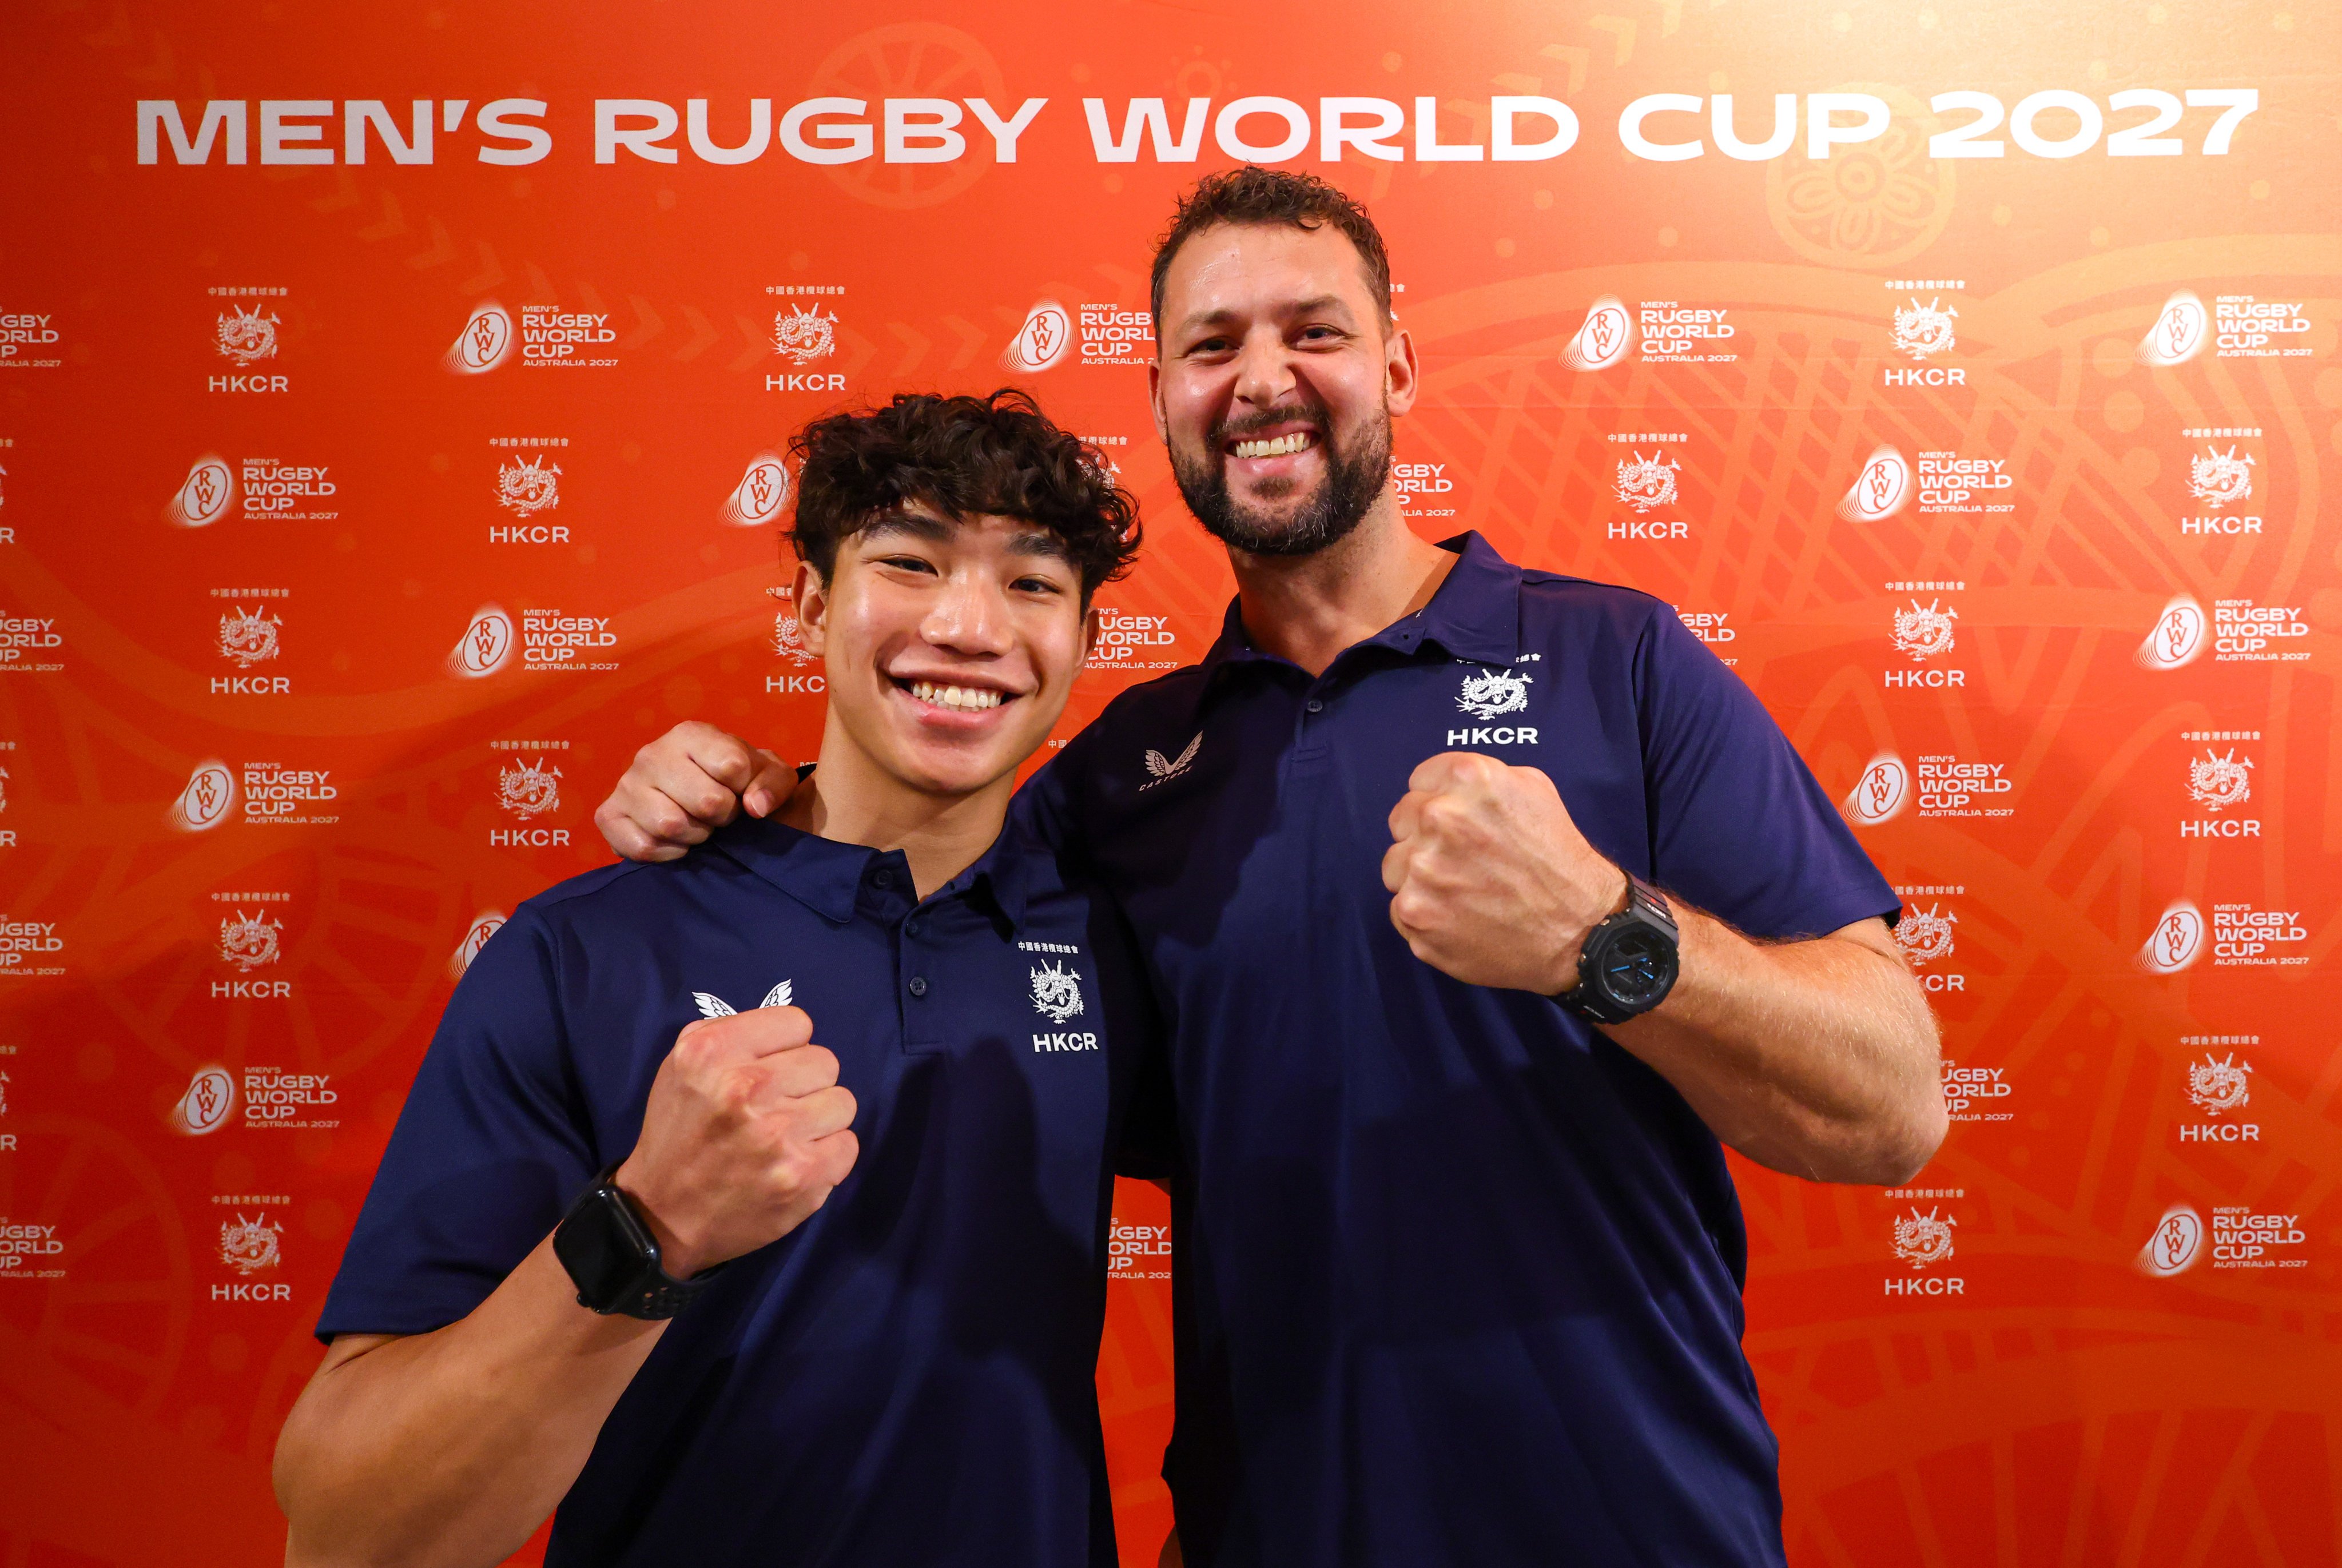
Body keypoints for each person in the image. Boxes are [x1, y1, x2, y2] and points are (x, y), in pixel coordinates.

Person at [595, 169, 1946, 1567]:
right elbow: (902, 911)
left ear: (1396, 366)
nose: (1261, 379)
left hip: (1636, 1523)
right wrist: (749, 794)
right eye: (1210, 344)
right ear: (1166, 394)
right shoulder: (1120, 773)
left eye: (1312, 331)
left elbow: (1890, 1105)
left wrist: (1601, 931)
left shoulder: (1620, 662)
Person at [273, 389, 1165, 1568]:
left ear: (1085, 646)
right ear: (807, 604)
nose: (965, 624)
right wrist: (647, 1225)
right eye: (908, 562)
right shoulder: (585, 950)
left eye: (1032, 583)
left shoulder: (1126, 940)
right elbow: (345, 1535)